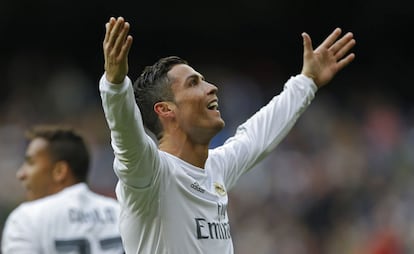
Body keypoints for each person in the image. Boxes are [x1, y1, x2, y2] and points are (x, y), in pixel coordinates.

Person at [99, 16, 356, 254]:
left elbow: (257, 135)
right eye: (193, 83)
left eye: (204, 80)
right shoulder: (151, 175)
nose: (212, 88)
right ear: (166, 109)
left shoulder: (215, 167)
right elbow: (126, 137)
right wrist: (115, 85)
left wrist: (306, 81)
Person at [1, 125, 124, 254]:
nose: (21, 174)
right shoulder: (120, 213)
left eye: (31, 163)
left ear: (60, 171)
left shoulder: (25, 219)